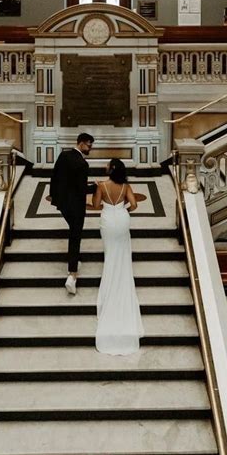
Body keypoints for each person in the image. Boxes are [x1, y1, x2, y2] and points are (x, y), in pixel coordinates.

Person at [92, 158, 144, 355]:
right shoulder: (125, 186)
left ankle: (110, 279)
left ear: (111, 169)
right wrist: (123, 211)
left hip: (107, 220)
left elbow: (96, 206)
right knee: (122, 254)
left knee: (110, 253)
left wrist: (99, 194)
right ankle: (121, 277)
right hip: (122, 220)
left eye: (107, 165)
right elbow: (135, 206)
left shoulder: (102, 186)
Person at [49, 133, 95, 295]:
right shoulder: (82, 164)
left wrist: (54, 197)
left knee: (73, 231)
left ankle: (75, 262)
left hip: (62, 203)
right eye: (89, 145)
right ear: (81, 143)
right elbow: (82, 189)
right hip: (76, 205)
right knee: (75, 235)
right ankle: (72, 274)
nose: (90, 148)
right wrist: (96, 187)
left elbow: (54, 177)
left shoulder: (64, 155)